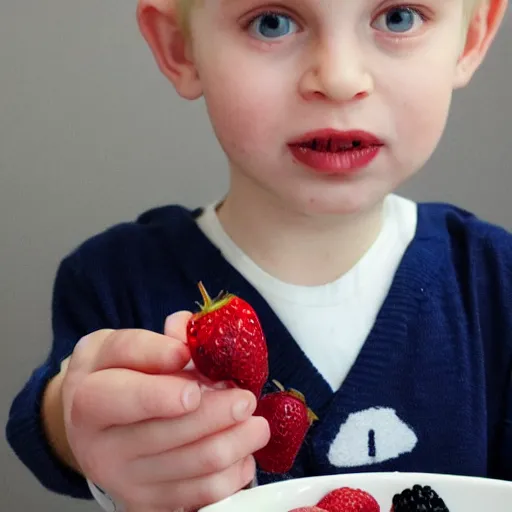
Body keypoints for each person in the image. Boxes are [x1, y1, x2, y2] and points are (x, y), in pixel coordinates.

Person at [6, 0, 512, 510]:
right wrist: (75, 418)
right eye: (273, 23)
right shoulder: (116, 279)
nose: (338, 78)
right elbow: (43, 430)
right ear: (180, 47)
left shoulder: (498, 282)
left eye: (398, 17)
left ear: (472, 36)